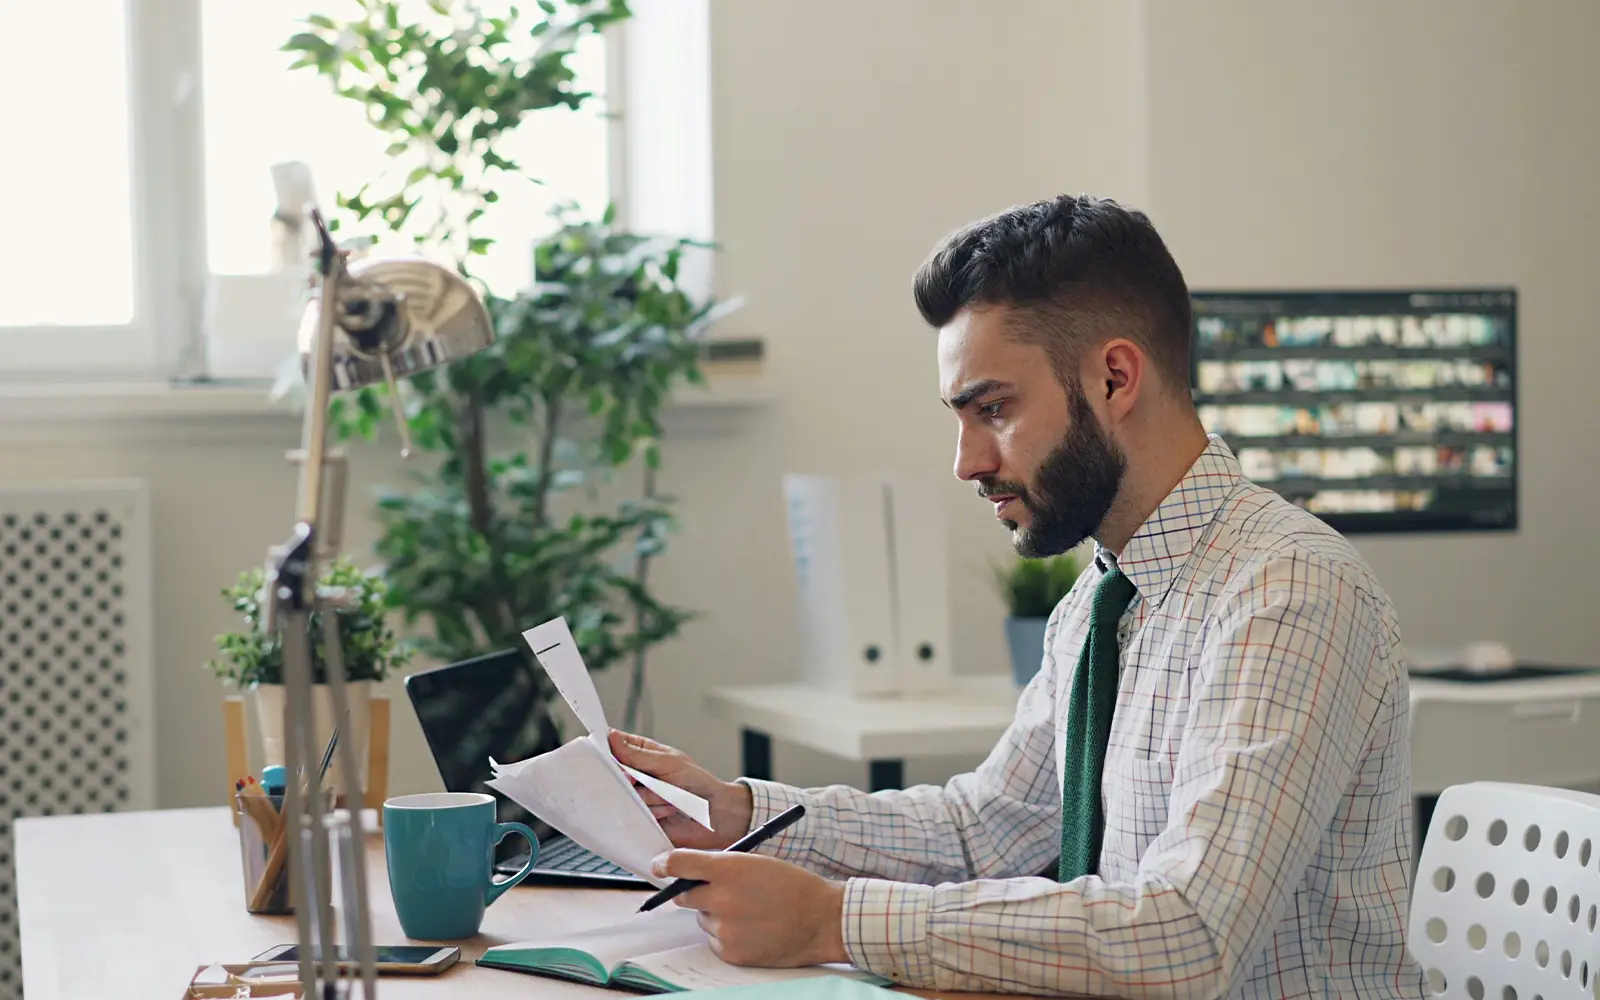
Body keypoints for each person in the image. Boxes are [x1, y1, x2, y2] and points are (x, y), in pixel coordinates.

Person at [611, 194, 1429, 999]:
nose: (967, 462)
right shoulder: (1103, 599)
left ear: (1115, 377)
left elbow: (1190, 935)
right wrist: (740, 811)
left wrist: (836, 922)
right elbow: (986, 828)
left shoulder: (1287, 591)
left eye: (992, 409)